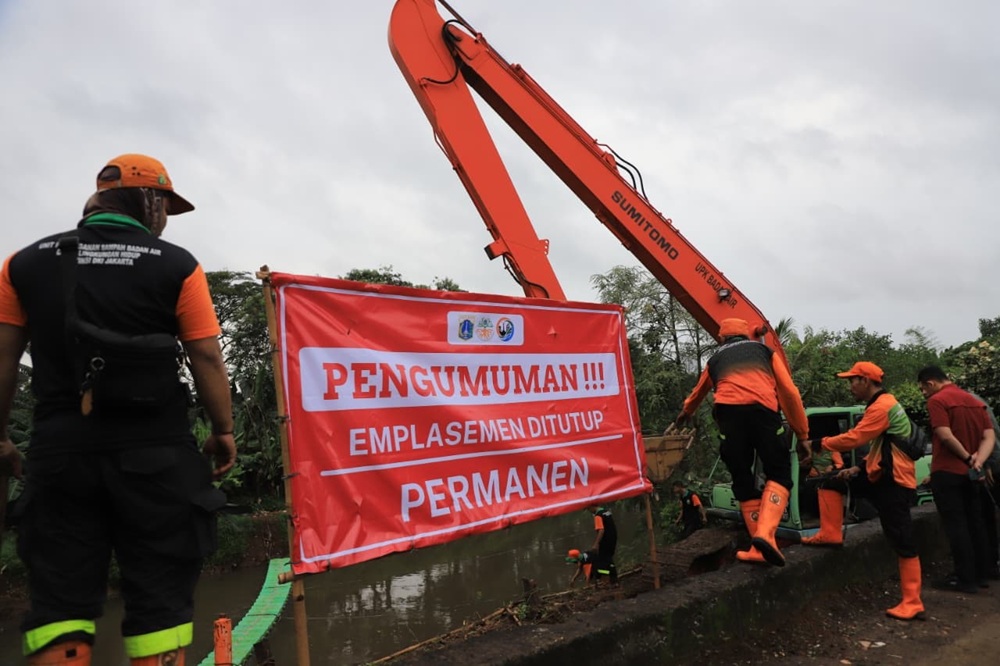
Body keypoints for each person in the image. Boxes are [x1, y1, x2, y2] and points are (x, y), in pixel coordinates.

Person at [0, 154, 237, 666]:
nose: (166, 218)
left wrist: (1, 438)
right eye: (166, 205)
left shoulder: (23, 263)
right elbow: (207, 357)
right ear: (147, 200)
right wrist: (223, 429)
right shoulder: (176, 264)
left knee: (59, 602)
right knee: (160, 600)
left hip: (60, 453)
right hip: (156, 456)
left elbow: (3, 357)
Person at [675, 318, 809, 567]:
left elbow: (698, 392)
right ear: (746, 335)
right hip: (763, 413)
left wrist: (685, 412)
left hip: (729, 417)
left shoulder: (715, 360)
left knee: (742, 479)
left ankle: (758, 550)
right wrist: (802, 434)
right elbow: (789, 391)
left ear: (723, 338)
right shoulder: (764, 351)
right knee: (779, 473)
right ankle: (765, 535)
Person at [801, 362, 925, 621]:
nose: (850, 386)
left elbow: (855, 439)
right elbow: (883, 446)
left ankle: (912, 601)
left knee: (901, 538)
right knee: (830, 481)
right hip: (878, 473)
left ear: (866, 381)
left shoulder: (882, 406)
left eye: (852, 381)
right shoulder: (882, 403)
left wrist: (818, 443)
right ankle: (830, 534)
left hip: (894, 480)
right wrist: (858, 468)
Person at [917, 366, 995, 592]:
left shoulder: (938, 401)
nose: (924, 394)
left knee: (956, 525)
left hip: (948, 472)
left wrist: (966, 457)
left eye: (923, 389)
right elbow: (989, 436)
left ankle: (964, 578)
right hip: (971, 474)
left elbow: (944, 434)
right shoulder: (972, 400)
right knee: (975, 523)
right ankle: (981, 574)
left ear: (931, 383)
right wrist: (978, 459)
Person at [797, 432, 846, 547]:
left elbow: (840, 464)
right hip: (812, 476)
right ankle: (808, 512)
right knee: (806, 490)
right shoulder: (812, 452)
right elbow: (805, 460)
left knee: (820, 492)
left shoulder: (832, 451)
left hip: (825, 477)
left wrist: (832, 467)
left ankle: (823, 522)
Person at [587, 505, 618, 584]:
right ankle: (612, 579)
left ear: (592, 506)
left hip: (605, 541)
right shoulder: (606, 512)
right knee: (609, 559)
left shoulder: (598, 516)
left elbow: (601, 530)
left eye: (588, 508)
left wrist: (596, 544)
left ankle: (608, 579)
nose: (588, 511)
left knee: (603, 562)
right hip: (612, 539)